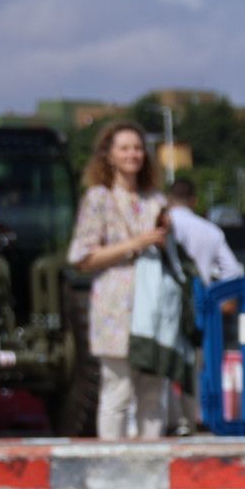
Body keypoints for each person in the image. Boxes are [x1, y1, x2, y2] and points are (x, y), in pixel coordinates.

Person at [66, 121, 168, 440]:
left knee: (153, 391)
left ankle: (153, 464)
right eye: (124, 148)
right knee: (118, 390)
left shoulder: (155, 200)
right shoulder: (99, 198)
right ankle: (112, 464)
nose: (132, 154)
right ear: (109, 155)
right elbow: (81, 257)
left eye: (137, 148)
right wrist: (135, 244)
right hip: (116, 305)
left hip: (154, 305)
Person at [164, 179, 245, 435]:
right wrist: (221, 302)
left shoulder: (162, 226)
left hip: (163, 303)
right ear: (194, 201)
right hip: (199, 308)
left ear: (168, 199)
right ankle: (194, 419)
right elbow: (233, 271)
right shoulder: (210, 231)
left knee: (162, 365)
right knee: (195, 366)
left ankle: (169, 419)